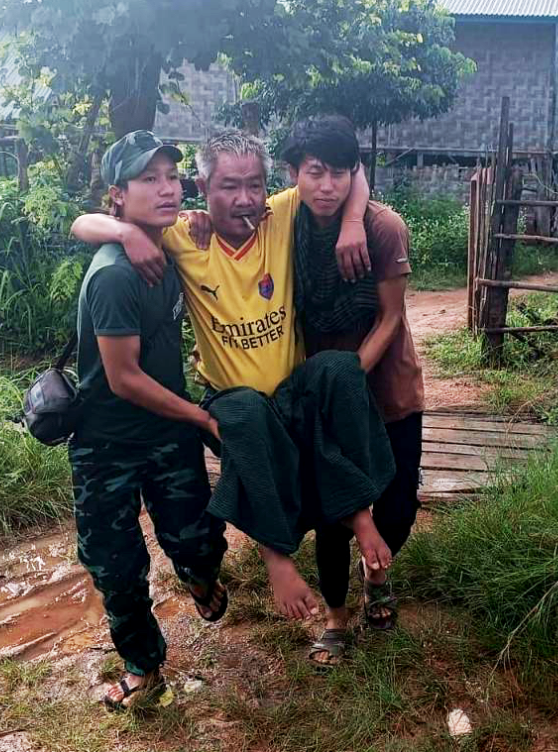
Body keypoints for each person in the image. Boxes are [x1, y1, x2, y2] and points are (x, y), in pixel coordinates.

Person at [71, 130, 395, 623]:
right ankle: (277, 560)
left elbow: (348, 168)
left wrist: (352, 221)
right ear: (201, 186)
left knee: (339, 368)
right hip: (234, 401)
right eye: (227, 187)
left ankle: (362, 514)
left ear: (269, 187)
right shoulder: (179, 235)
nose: (244, 199)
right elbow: (81, 222)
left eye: (254, 185)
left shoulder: (281, 215)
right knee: (242, 412)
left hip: (290, 393)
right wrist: (126, 233)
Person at [71, 130, 228, 710]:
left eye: (171, 176)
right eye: (149, 179)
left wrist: (177, 222)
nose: (166, 188)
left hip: (166, 434)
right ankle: (143, 668)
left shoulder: (170, 239)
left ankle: (200, 577)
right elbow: (124, 379)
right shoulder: (115, 273)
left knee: (197, 541)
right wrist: (200, 419)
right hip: (106, 444)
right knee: (116, 566)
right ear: (118, 195)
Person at [278, 116, 425, 666]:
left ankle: (378, 573)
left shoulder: (385, 229)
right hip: (320, 389)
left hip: (386, 389)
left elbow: (390, 318)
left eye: (340, 173)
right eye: (315, 173)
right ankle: (337, 618)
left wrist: (348, 376)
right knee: (329, 512)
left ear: (353, 174)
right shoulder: (283, 224)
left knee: (396, 509)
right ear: (294, 174)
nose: (327, 186)